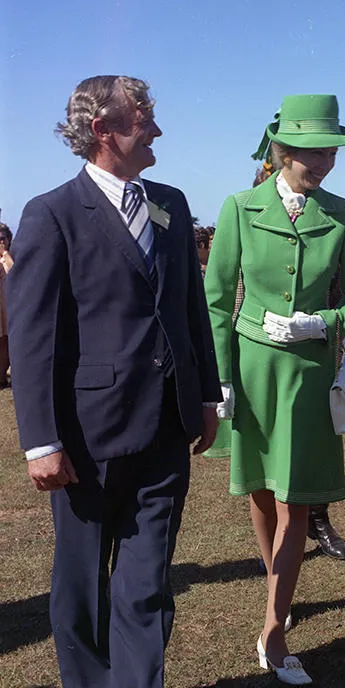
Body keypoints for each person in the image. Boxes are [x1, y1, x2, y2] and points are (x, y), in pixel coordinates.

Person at [6, 75, 220, 688]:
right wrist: (40, 442)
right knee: (83, 586)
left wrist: (207, 394)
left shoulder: (171, 204)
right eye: (144, 120)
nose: (157, 130)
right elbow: (32, 336)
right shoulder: (51, 214)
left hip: (168, 425)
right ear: (103, 129)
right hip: (86, 440)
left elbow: (190, 306)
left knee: (147, 581)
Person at [204, 94, 345, 684]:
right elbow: (216, 299)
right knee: (260, 491)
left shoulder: (344, 214)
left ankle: (273, 631)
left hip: (306, 374)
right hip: (252, 370)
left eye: (331, 153)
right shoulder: (239, 207)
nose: (324, 163)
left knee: (294, 499)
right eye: (313, 153)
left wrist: (321, 323)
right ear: (282, 151)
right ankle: (280, 588)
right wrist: (219, 376)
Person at [0, 223, 13, 387]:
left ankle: (2, 375)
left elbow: (14, 271)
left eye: (3, 238)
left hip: (8, 304)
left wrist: (5, 254)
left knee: (6, 340)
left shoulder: (12, 255)